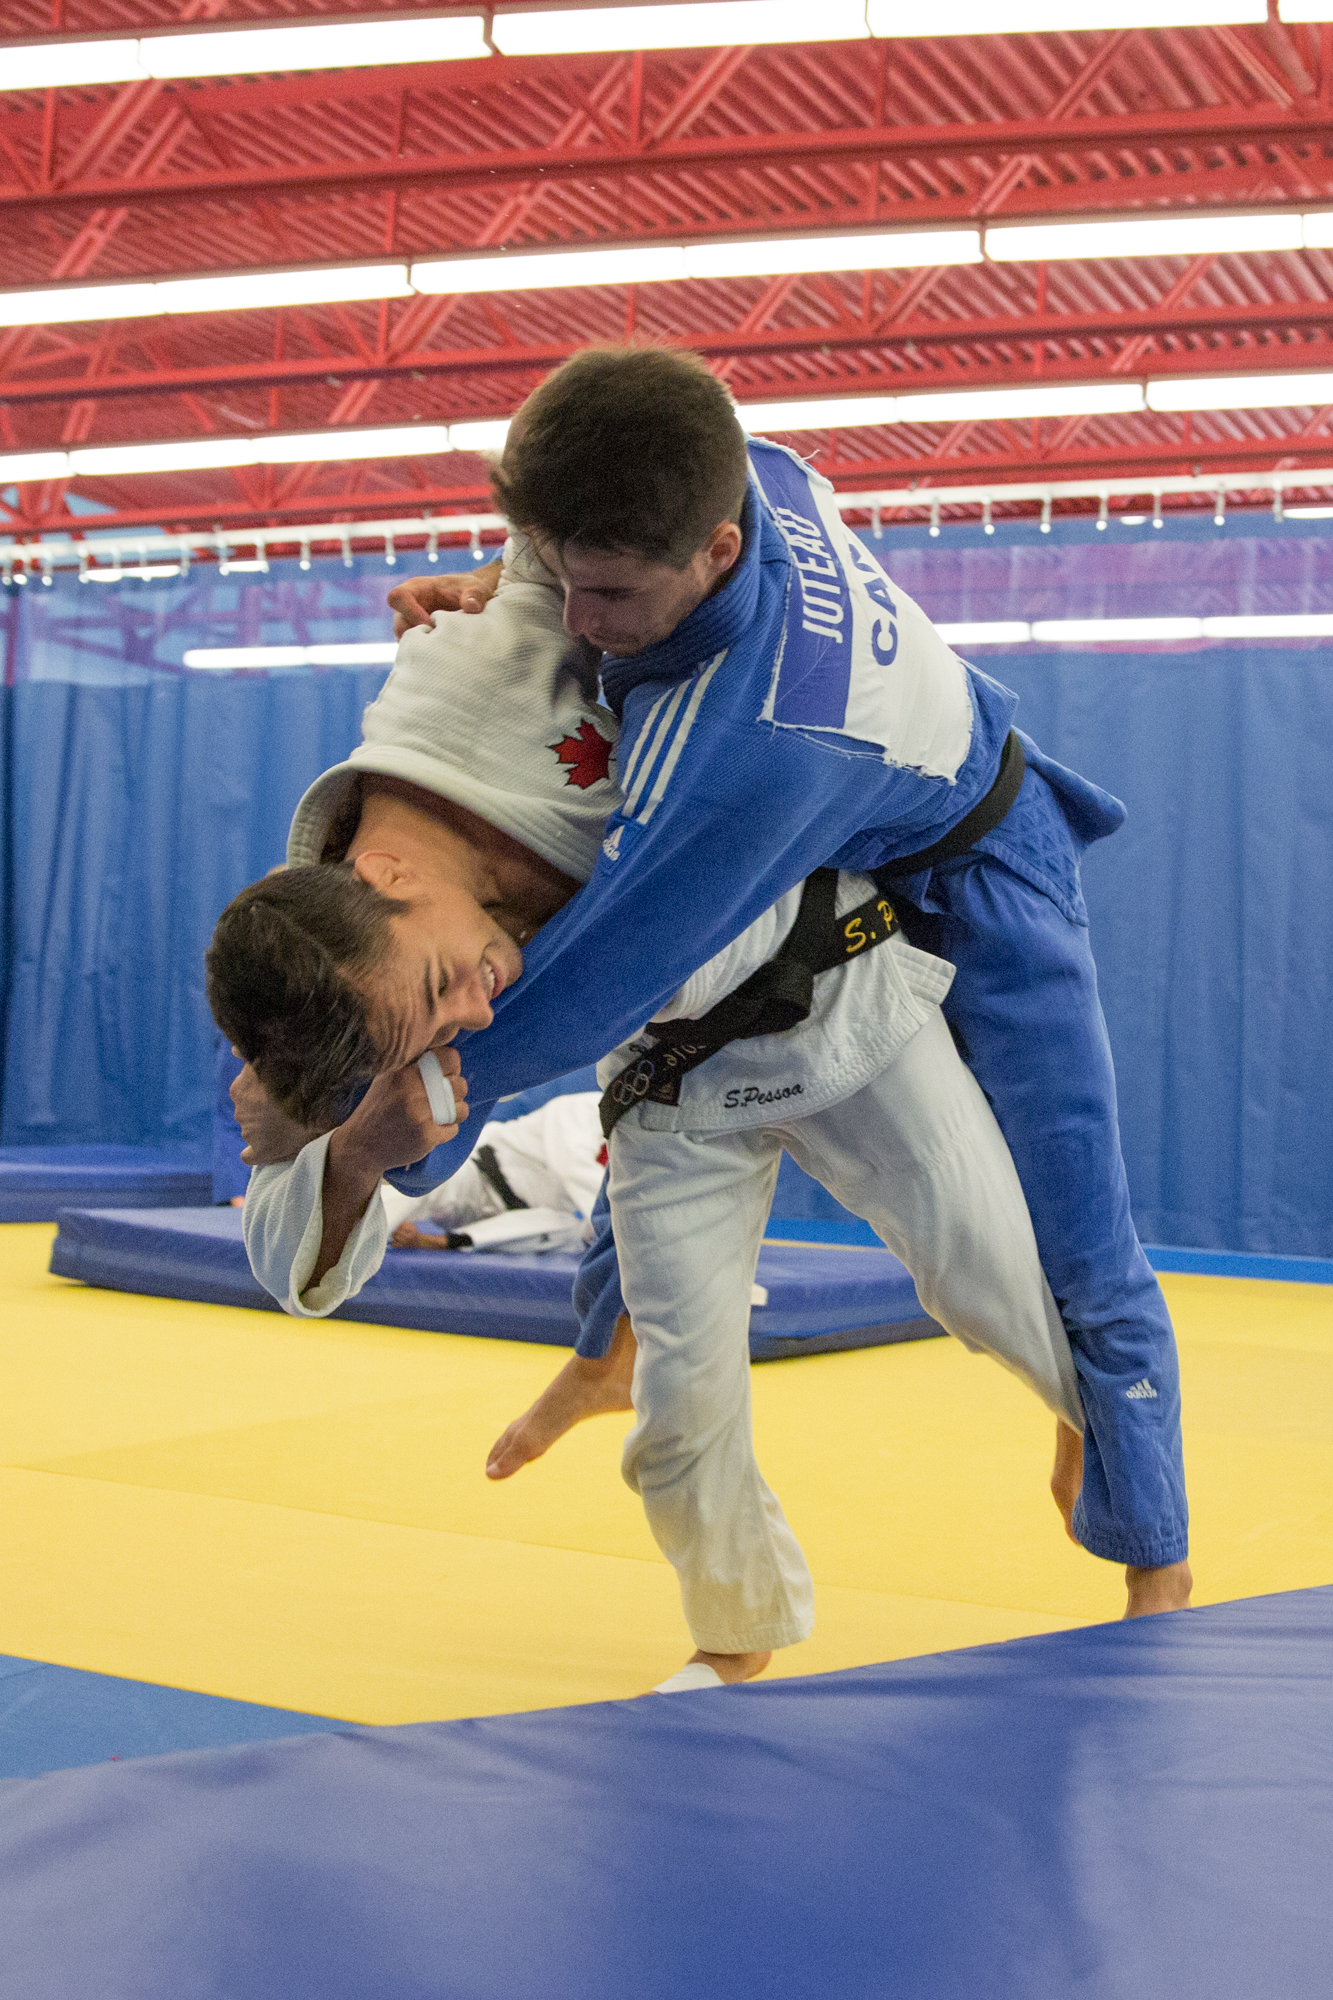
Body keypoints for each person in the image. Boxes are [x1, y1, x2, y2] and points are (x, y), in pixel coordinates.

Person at [378, 346, 1192, 1626]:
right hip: (861, 803)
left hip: (987, 861)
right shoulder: (746, 462)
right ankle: (611, 1348)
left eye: (609, 592)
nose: (579, 620)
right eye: (564, 576)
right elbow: (570, 555)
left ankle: (1156, 1556)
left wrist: (416, 1107)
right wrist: (500, 585)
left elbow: (592, 975)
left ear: (710, 548)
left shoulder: (747, 744)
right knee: (670, 1076)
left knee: (1077, 1228)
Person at [212, 529, 1084, 1690]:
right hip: (670, 1062)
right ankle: (734, 1633)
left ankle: (1106, 1437)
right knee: (681, 1408)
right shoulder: (332, 1000)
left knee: (983, 1271)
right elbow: (291, 1267)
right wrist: (358, 1149)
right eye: (436, 1022)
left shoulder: (468, 672)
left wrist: (503, 568)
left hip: (833, 984)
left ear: (393, 879)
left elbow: (598, 493)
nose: (472, 1013)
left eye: (439, 988)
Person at [379, 1090, 604, 1252]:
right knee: (426, 1183)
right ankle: (351, 1238)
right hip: (478, 1177)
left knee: (569, 1228)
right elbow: (572, 1168)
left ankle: (440, 1242)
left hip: (514, 1224)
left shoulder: (632, 1154)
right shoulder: (580, 1109)